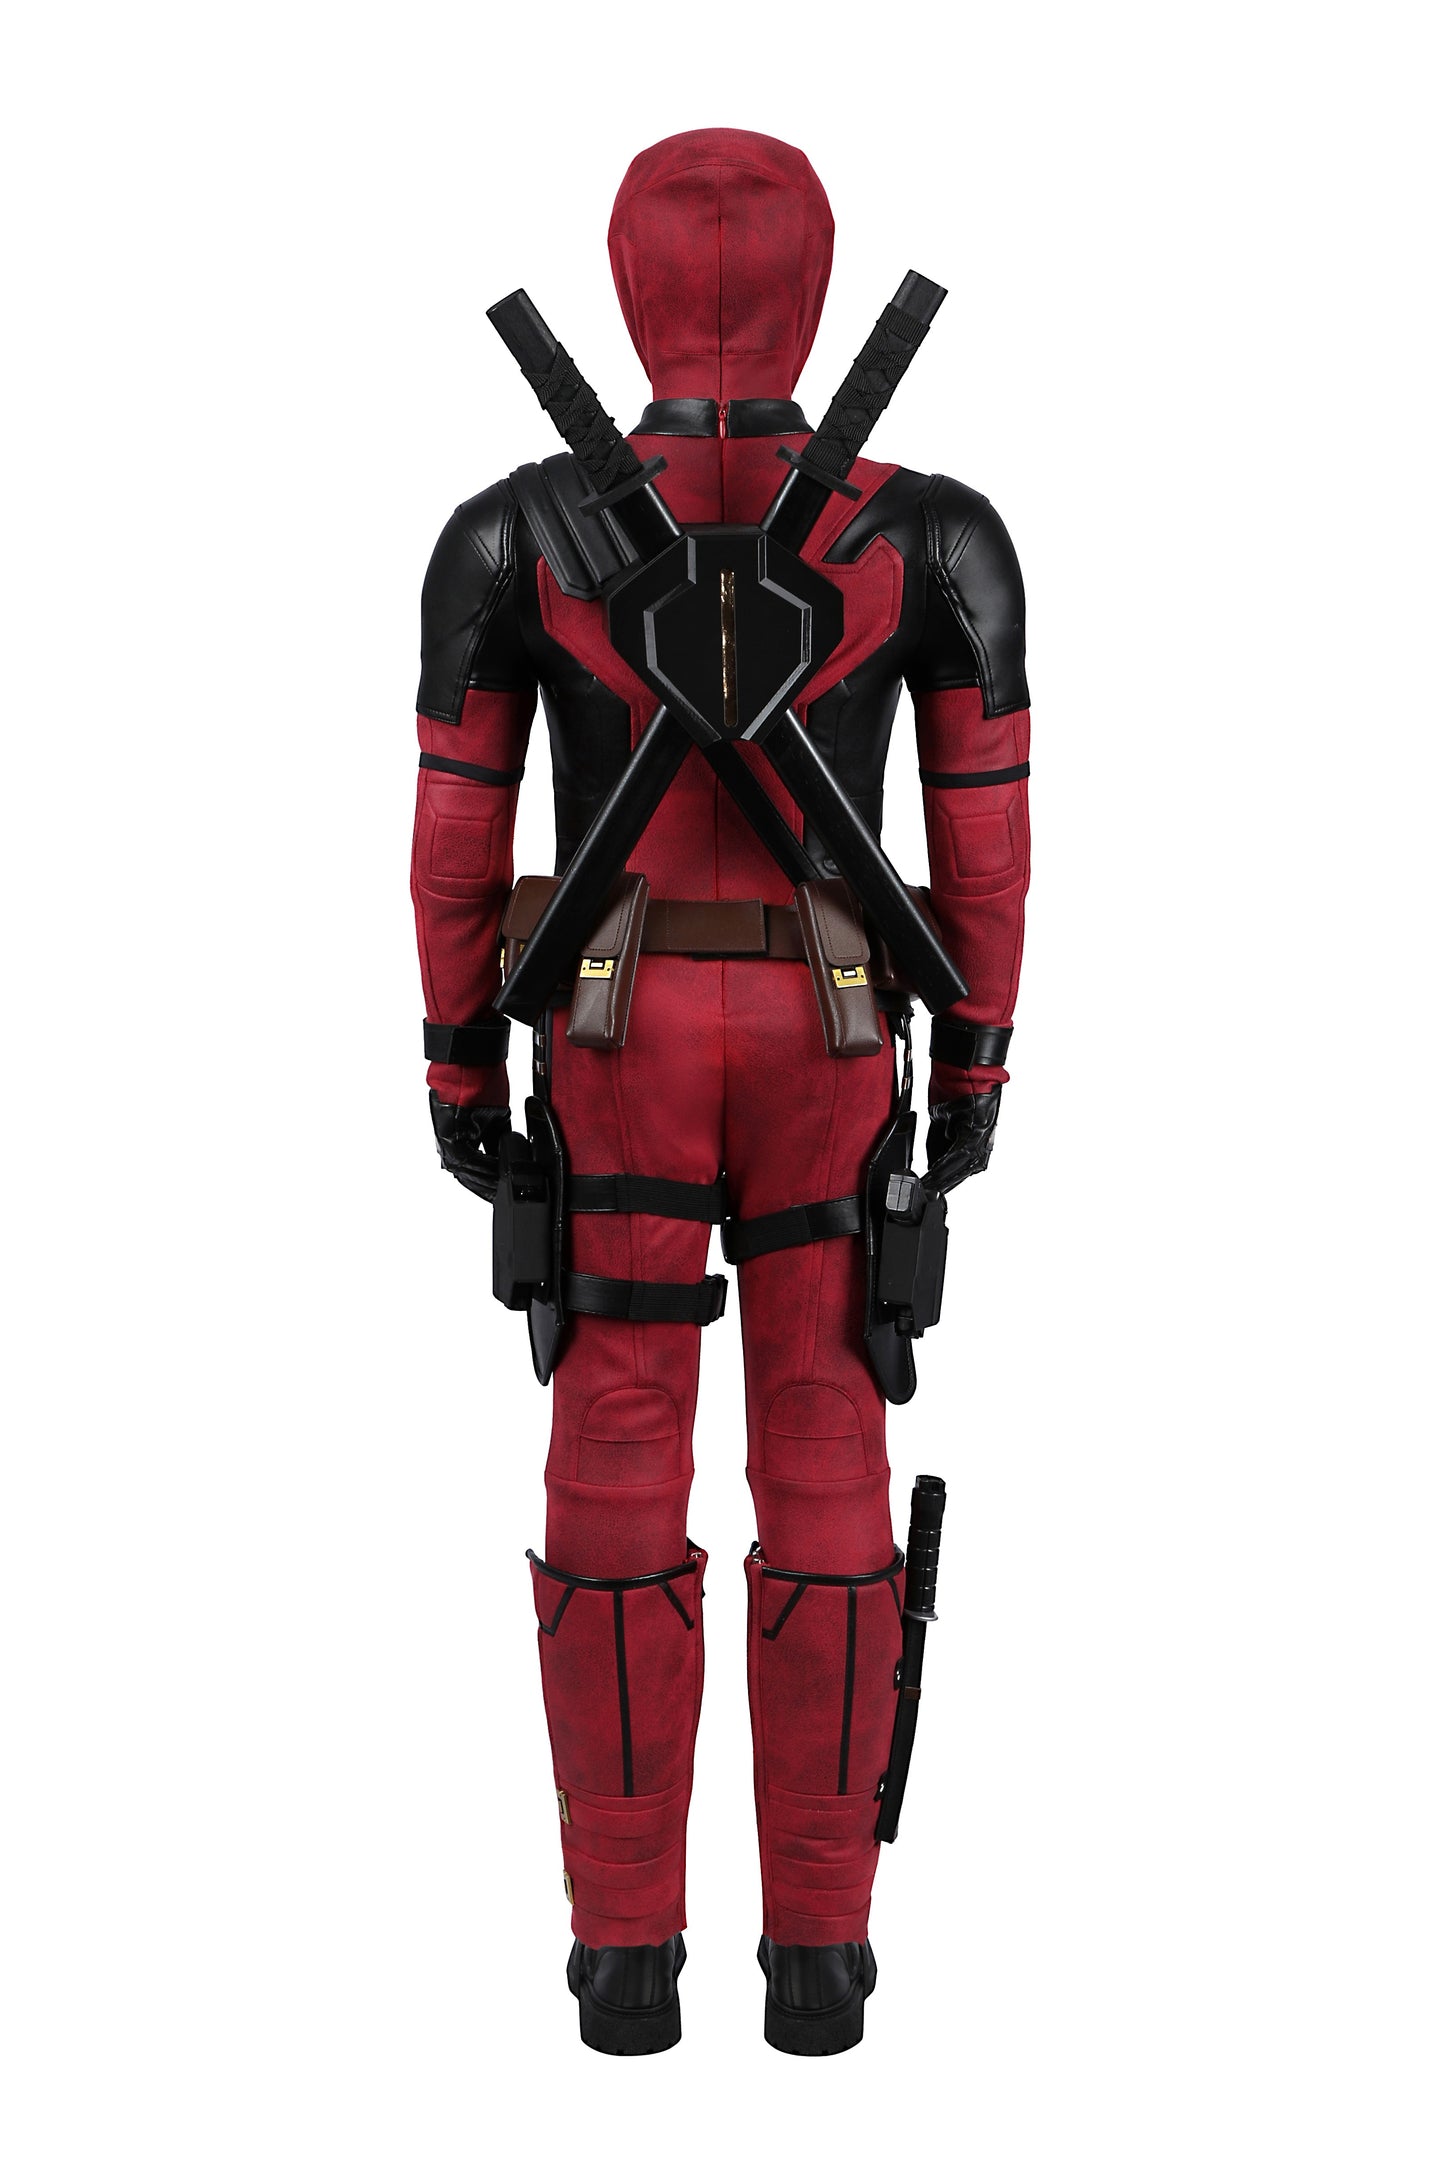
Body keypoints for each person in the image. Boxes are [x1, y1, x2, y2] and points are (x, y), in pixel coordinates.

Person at [410, 127, 1030, 2055]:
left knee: (612, 1445)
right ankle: (819, 1965)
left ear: (620, 289)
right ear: (819, 289)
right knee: (826, 1448)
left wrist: (452, 1058)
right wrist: (979, 1060)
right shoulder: (938, 537)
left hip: (612, 1034)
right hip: (839, 1027)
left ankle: (623, 1964)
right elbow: (987, 845)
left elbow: (452, 841)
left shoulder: (507, 535)